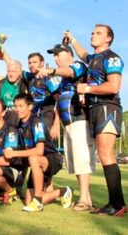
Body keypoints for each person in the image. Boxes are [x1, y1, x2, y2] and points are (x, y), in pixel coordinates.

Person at [65, 24, 127, 217]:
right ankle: (115, 203)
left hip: (107, 107)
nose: (93, 35)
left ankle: (117, 204)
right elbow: (83, 53)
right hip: (94, 108)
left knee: (106, 154)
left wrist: (87, 89)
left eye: (98, 33)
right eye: (92, 32)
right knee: (103, 155)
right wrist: (72, 39)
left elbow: (114, 86)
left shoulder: (112, 57)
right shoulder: (93, 59)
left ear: (108, 39)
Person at [38, 43, 96, 211]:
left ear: (69, 55)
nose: (55, 58)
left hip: (80, 119)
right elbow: (58, 100)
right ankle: (87, 199)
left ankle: (84, 200)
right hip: (68, 123)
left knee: (82, 160)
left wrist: (51, 71)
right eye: (54, 56)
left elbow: (70, 72)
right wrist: (56, 122)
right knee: (77, 162)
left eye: (58, 55)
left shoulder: (77, 65)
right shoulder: (62, 80)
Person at [4, 93, 72, 212]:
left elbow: (40, 150)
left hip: (52, 159)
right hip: (37, 164)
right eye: (16, 106)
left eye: (21, 106)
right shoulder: (19, 125)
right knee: (28, 201)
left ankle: (38, 201)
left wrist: (14, 154)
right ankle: (64, 191)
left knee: (33, 158)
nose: (17, 109)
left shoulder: (36, 121)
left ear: (30, 107)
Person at [0, 60, 28, 126]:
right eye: (9, 71)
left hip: (22, 125)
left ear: (19, 72)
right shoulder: (0, 85)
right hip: (5, 126)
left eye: (13, 71)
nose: (10, 74)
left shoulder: (25, 84)